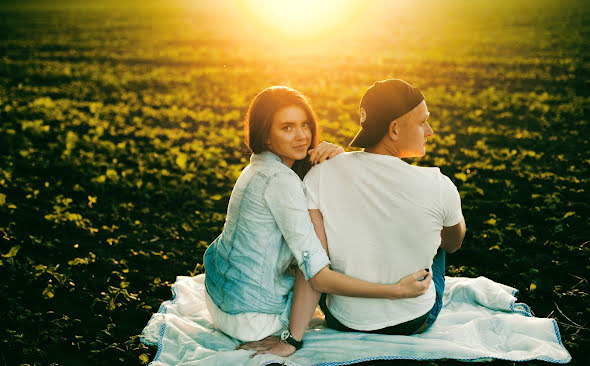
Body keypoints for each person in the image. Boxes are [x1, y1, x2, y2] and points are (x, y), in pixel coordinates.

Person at [240, 79, 466, 357]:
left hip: (342, 319)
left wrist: (292, 339)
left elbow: (310, 266)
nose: (429, 131)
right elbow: (454, 243)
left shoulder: (321, 173)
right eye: (423, 122)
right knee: (440, 239)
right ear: (394, 129)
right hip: (413, 321)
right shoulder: (438, 183)